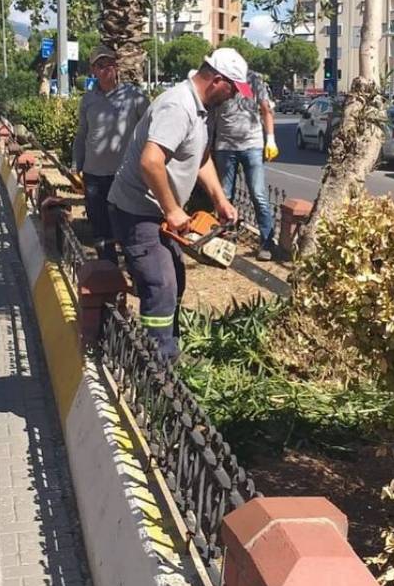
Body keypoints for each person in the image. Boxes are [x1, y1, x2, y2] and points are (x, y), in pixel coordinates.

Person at [108, 48, 248, 361]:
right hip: (136, 210)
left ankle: (166, 351)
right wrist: (172, 209)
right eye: (234, 88)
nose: (235, 95)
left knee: (175, 279)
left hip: (154, 210)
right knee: (161, 284)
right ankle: (154, 366)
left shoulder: (202, 109)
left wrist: (220, 200)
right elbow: (151, 161)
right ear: (216, 80)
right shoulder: (178, 106)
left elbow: (201, 158)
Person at [72, 45, 148, 263]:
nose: (106, 69)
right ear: (93, 70)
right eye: (100, 65)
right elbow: (82, 135)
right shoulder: (87, 100)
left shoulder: (135, 97)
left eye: (109, 64)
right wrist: (76, 166)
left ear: (117, 67)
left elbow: (150, 131)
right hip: (94, 176)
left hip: (124, 176)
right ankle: (108, 270)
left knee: (126, 227)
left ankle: (135, 271)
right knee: (101, 228)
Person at [211, 69, 278, 261]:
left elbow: (266, 109)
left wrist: (271, 139)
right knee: (225, 195)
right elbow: (212, 115)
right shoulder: (221, 81)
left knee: (258, 194)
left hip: (252, 146)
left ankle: (266, 243)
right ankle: (226, 239)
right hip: (225, 146)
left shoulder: (254, 80)